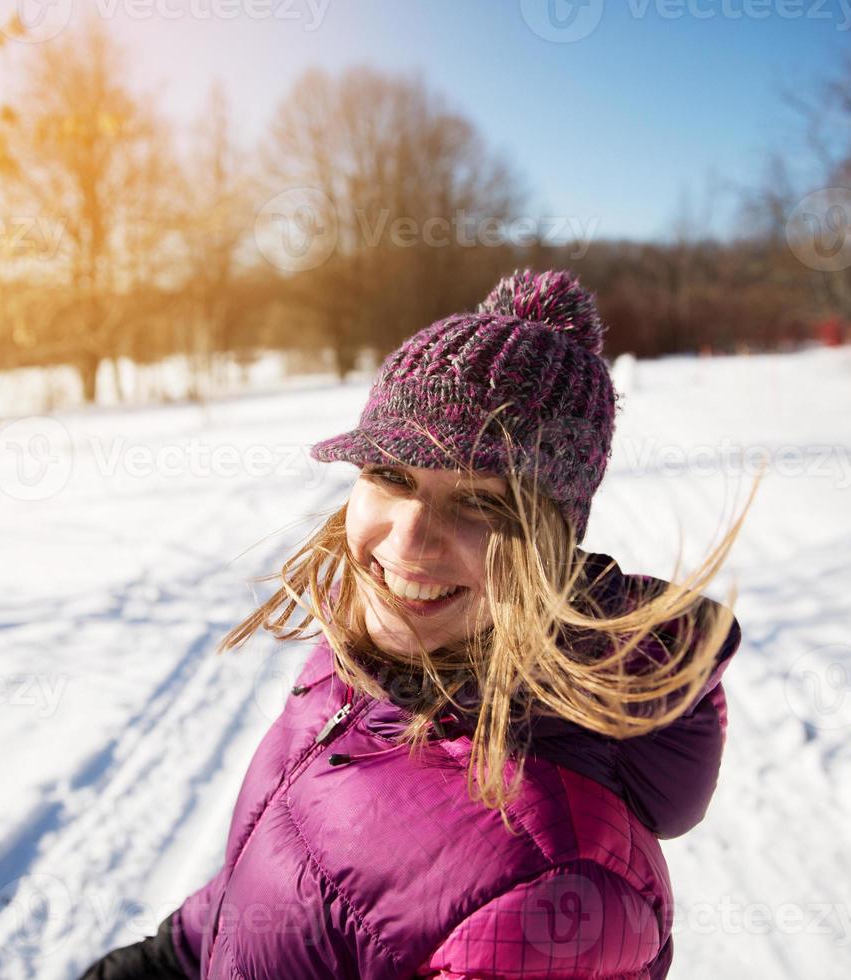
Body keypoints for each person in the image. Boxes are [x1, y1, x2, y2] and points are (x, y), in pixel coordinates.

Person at [79, 268, 754, 980]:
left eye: (481, 504)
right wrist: (167, 956)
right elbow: (296, 868)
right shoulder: (365, 659)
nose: (408, 540)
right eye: (392, 476)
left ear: (551, 546)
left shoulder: (551, 891)